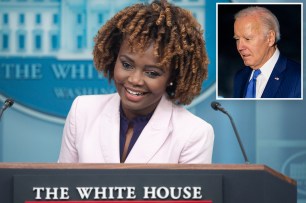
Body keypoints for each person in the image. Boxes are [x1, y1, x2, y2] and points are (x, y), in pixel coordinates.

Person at [58, 0, 214, 163]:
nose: (134, 80)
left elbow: (191, 190)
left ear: (172, 77)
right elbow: (61, 185)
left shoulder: (194, 133)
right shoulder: (82, 111)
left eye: (152, 73)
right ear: (114, 58)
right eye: (126, 65)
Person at [233, 6, 301, 98]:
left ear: (270, 38)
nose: (240, 47)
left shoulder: (299, 78)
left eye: (247, 39)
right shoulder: (240, 77)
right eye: (237, 39)